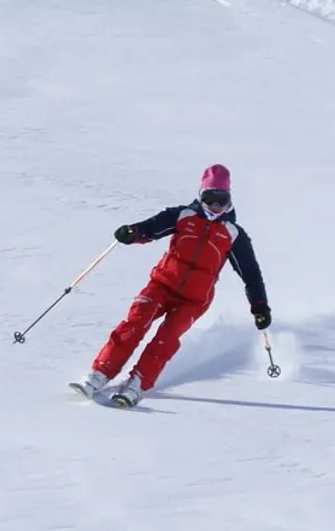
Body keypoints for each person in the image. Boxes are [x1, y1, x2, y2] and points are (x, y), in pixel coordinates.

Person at [72, 164, 272, 407]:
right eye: (210, 199)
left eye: (222, 200)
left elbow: (250, 273)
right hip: (162, 285)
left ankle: (137, 384)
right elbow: (151, 228)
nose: (215, 206)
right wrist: (132, 232)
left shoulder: (233, 234)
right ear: (201, 195)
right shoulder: (182, 216)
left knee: (166, 339)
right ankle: (99, 374)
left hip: (193, 301)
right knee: (134, 324)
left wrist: (259, 306)